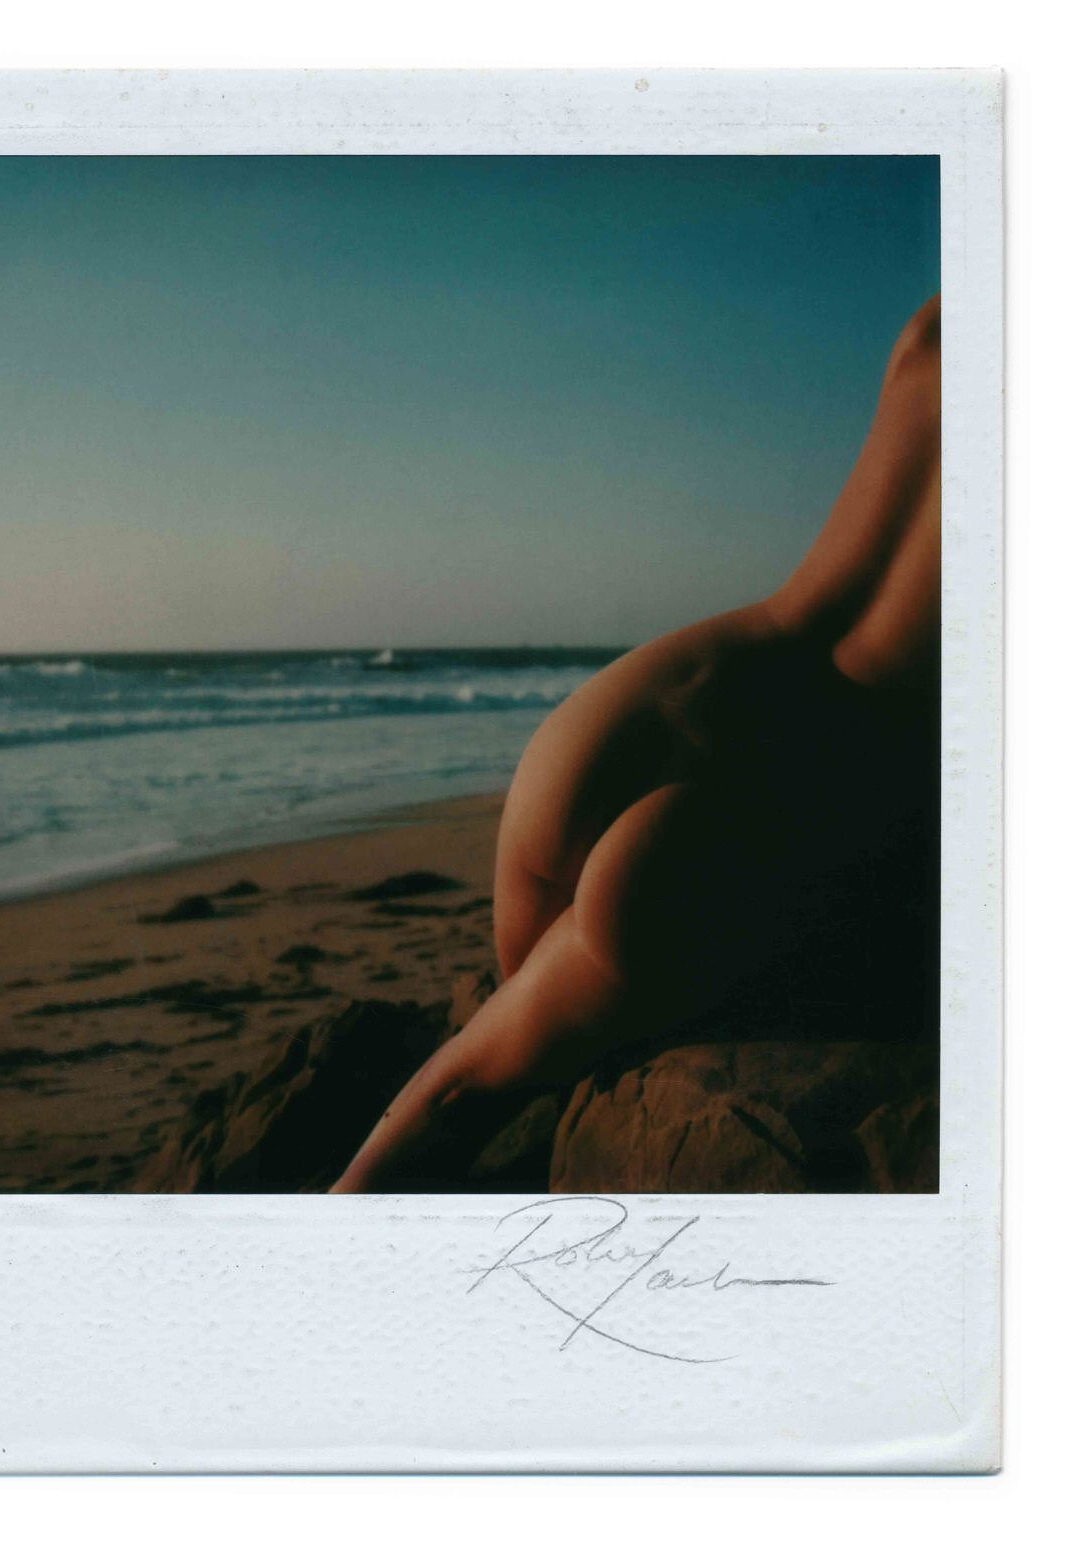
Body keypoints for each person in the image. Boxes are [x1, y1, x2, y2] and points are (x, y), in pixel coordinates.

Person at [332, 295, 941, 1194]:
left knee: (488, 1061)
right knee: (490, 1078)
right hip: (785, 787)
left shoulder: (943, 322)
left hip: (630, 714)